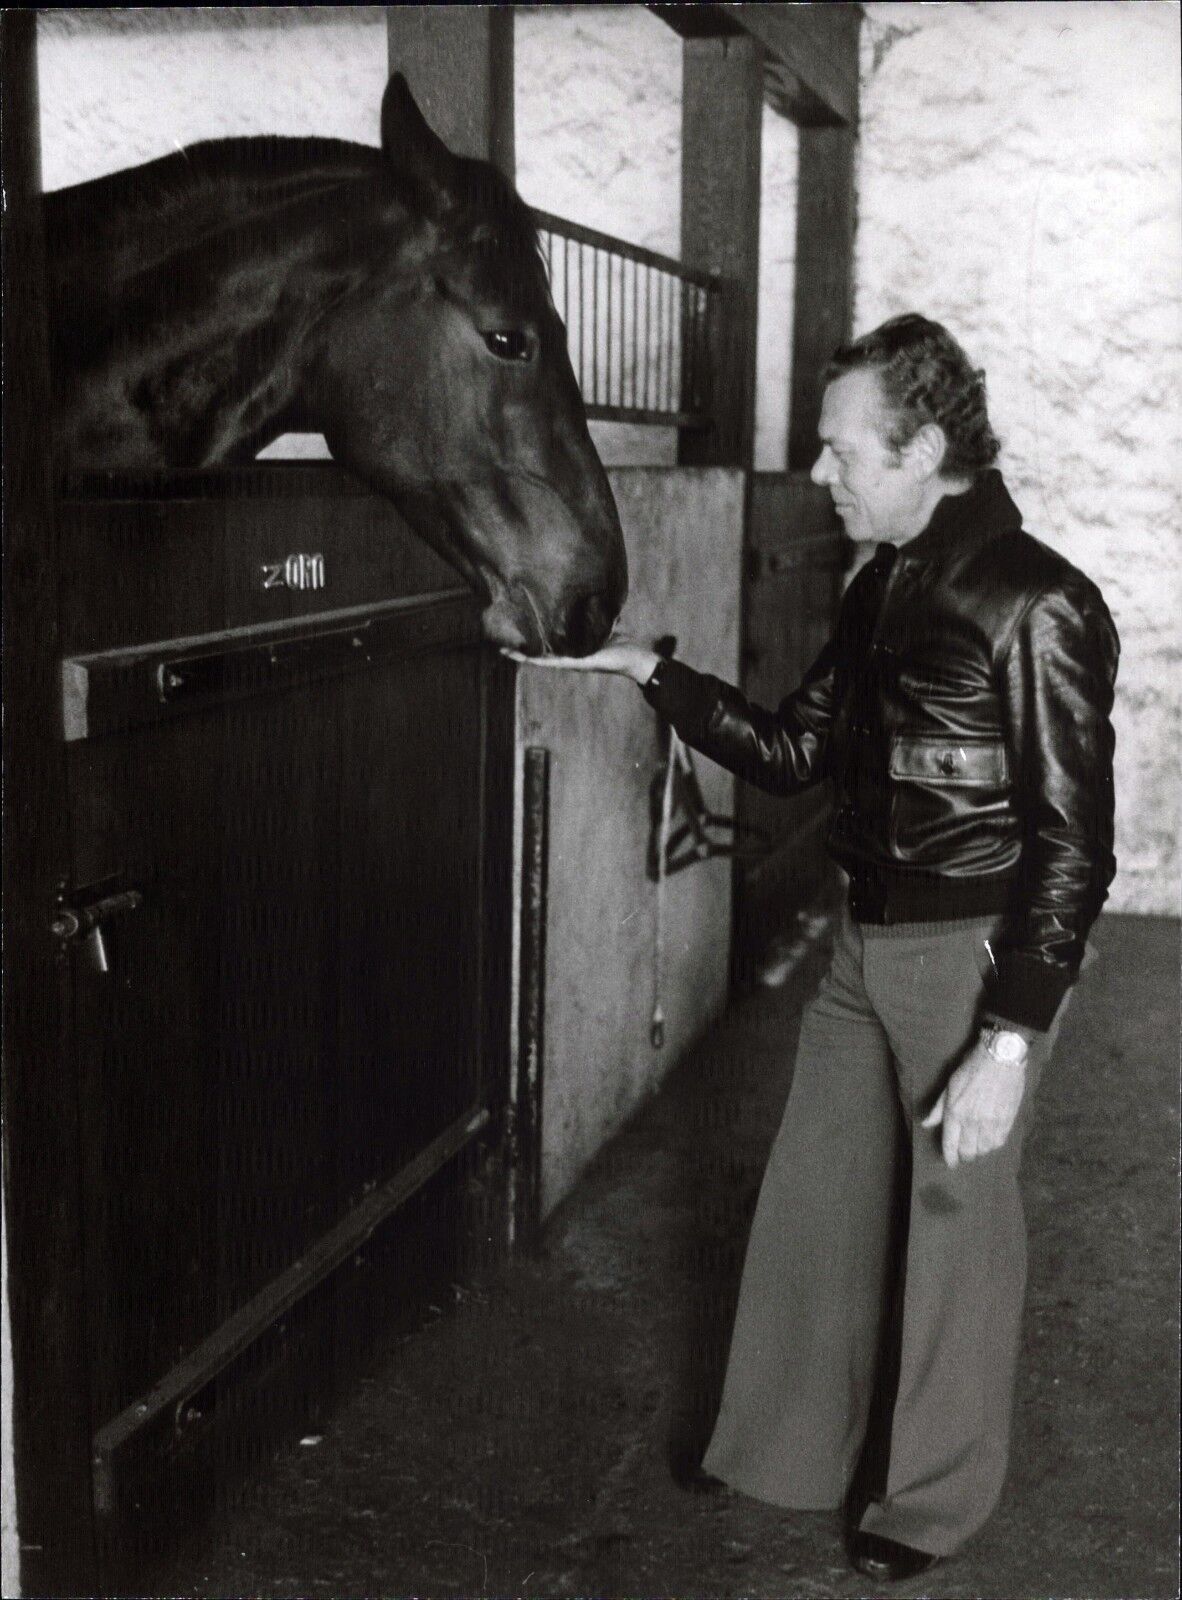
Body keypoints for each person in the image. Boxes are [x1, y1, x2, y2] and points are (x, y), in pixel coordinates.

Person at [511, 313, 1119, 1581]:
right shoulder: (881, 586)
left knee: (958, 1222)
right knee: (817, 1196)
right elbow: (794, 752)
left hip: (973, 959)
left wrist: (1009, 1036)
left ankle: (931, 1504)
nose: (826, 475)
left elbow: (1075, 843)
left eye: (844, 452)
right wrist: (649, 673)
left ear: (926, 447)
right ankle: (787, 1449)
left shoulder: (1039, 601)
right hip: (867, 945)